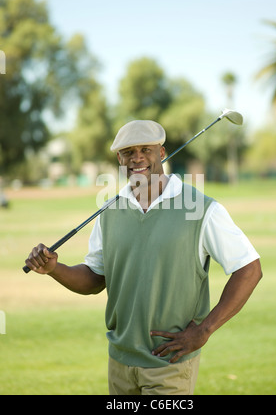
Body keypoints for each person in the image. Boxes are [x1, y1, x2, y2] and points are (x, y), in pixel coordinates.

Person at [25, 120, 262, 395]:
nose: (136, 158)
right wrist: (55, 268)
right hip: (120, 362)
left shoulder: (202, 208)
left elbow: (249, 269)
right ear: (119, 158)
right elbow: (94, 278)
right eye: (128, 152)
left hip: (170, 364)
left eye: (145, 149)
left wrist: (204, 330)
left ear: (162, 153)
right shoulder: (109, 212)